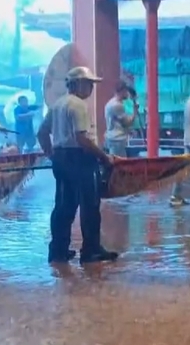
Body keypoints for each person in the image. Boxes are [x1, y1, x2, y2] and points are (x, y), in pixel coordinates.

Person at [37, 67, 119, 264]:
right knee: (90, 205)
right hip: (81, 159)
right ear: (76, 84)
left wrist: (52, 155)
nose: (91, 87)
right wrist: (103, 157)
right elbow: (81, 138)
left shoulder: (57, 105)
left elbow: (41, 132)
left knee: (64, 206)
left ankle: (58, 251)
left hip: (62, 159)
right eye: (88, 83)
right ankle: (91, 251)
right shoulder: (78, 105)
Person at [104, 81, 139, 158]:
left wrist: (129, 131)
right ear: (122, 91)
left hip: (114, 139)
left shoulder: (111, 103)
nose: (128, 94)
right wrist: (135, 112)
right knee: (120, 164)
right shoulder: (117, 105)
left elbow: (118, 123)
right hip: (117, 140)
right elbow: (127, 123)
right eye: (126, 91)